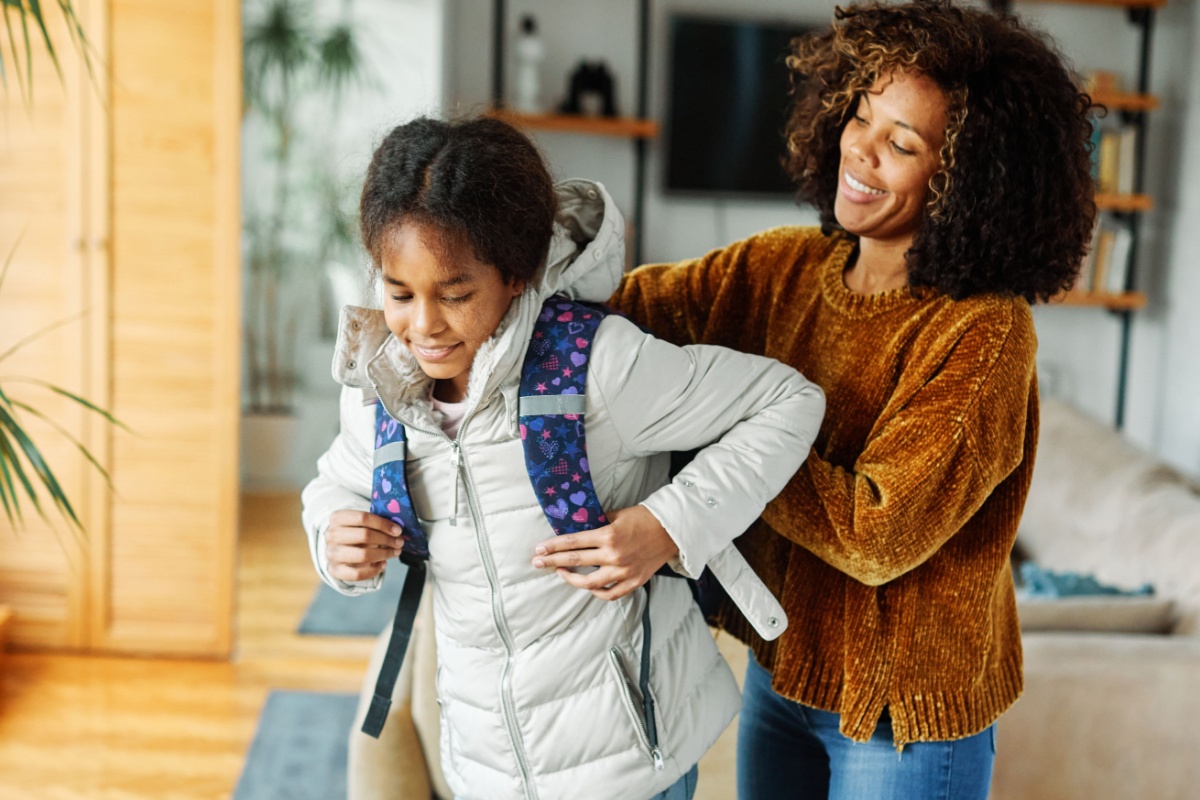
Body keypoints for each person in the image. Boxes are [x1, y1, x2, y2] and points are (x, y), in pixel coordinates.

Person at [531, 1, 1097, 798]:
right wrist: (480, 289)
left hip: (904, 718)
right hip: (783, 674)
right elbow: (623, 310)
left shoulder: (985, 334)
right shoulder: (784, 269)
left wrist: (722, 451)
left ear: (966, 182)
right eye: (860, 115)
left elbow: (878, 531)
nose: (859, 150)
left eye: (901, 143)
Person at [299, 115, 826, 800]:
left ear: (517, 273)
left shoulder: (598, 369)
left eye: (455, 295)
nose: (423, 326)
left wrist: (669, 525)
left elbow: (787, 402)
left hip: (628, 765)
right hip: (484, 770)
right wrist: (332, 538)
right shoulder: (380, 388)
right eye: (399, 294)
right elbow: (333, 484)